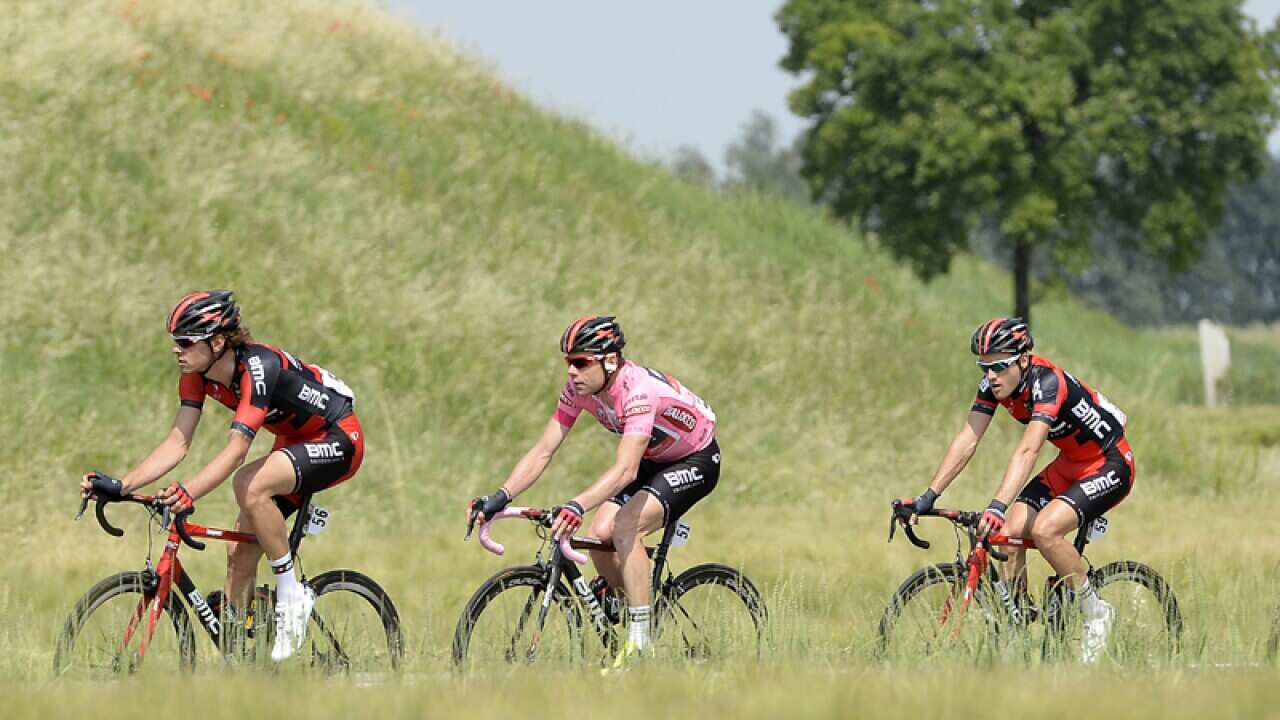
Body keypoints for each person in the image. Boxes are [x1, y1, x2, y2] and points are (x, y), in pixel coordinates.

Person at [79, 290, 364, 661]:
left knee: (248, 482)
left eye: (185, 342)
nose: (176, 350)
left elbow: (236, 449)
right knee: (239, 553)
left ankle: (292, 594)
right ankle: (248, 663)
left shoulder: (258, 367)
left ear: (217, 342)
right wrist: (123, 485)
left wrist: (189, 492)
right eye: (174, 342)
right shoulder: (196, 374)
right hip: (294, 442)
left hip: (337, 437)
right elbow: (177, 442)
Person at [469, 316, 720, 671]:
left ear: (610, 361)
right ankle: (634, 601)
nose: (572, 372)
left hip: (696, 459)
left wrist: (576, 504)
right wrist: (501, 496)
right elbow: (544, 449)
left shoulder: (637, 392)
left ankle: (640, 641)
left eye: (581, 362)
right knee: (599, 535)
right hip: (653, 458)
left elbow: (625, 470)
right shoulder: (580, 391)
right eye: (568, 362)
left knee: (625, 527)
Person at [907, 317, 1134, 662]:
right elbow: (968, 439)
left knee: (1045, 530)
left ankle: (1096, 612)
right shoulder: (993, 386)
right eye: (984, 367)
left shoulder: (1047, 383)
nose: (990, 376)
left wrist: (996, 506)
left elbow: (1028, 450)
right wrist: (928, 496)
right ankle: (1017, 625)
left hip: (1110, 464)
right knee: (1009, 537)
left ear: (1024, 359)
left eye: (999, 366)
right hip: (1070, 463)